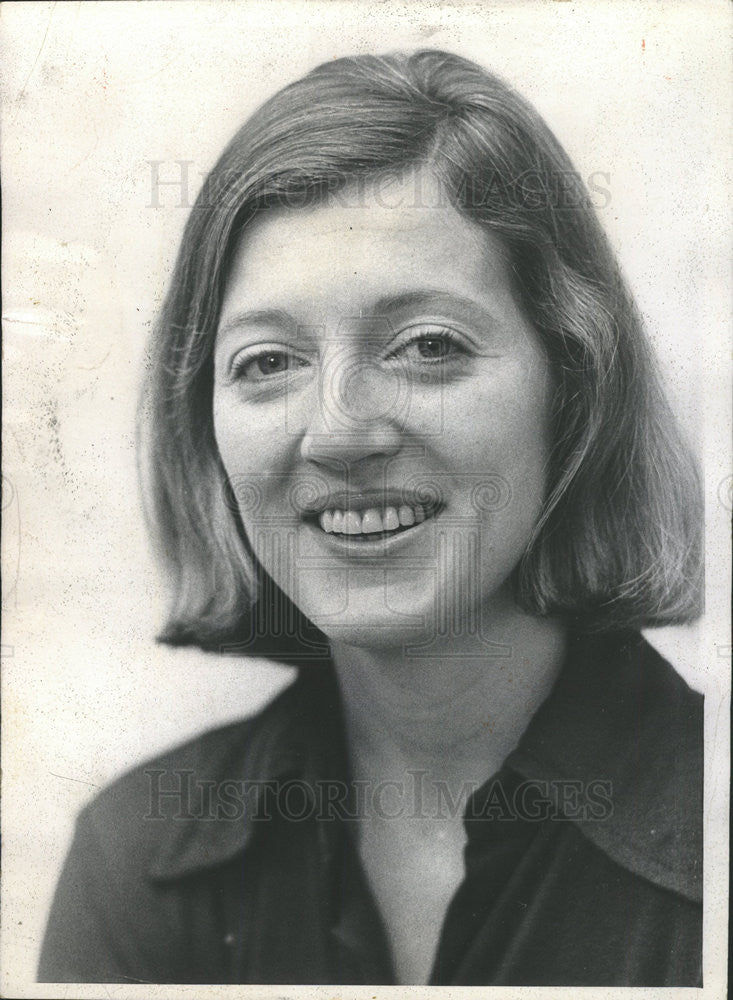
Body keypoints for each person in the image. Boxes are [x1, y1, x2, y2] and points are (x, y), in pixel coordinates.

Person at [38, 49, 703, 986]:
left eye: (427, 345)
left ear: (574, 389)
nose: (339, 432)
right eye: (267, 362)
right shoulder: (140, 862)